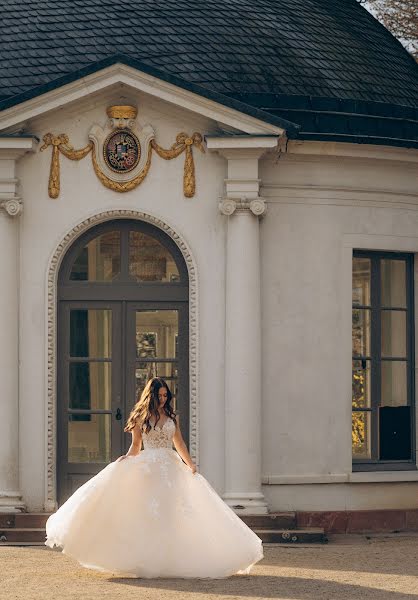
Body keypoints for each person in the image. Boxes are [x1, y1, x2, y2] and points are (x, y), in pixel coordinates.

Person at [45, 377, 264, 578]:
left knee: (172, 512)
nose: (163, 398)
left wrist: (190, 464)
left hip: (171, 468)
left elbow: (179, 443)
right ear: (151, 396)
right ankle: (146, 560)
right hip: (148, 468)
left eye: (165, 395)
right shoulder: (141, 417)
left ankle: (171, 558)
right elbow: (136, 446)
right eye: (159, 395)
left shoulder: (172, 417)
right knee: (149, 513)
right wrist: (126, 459)